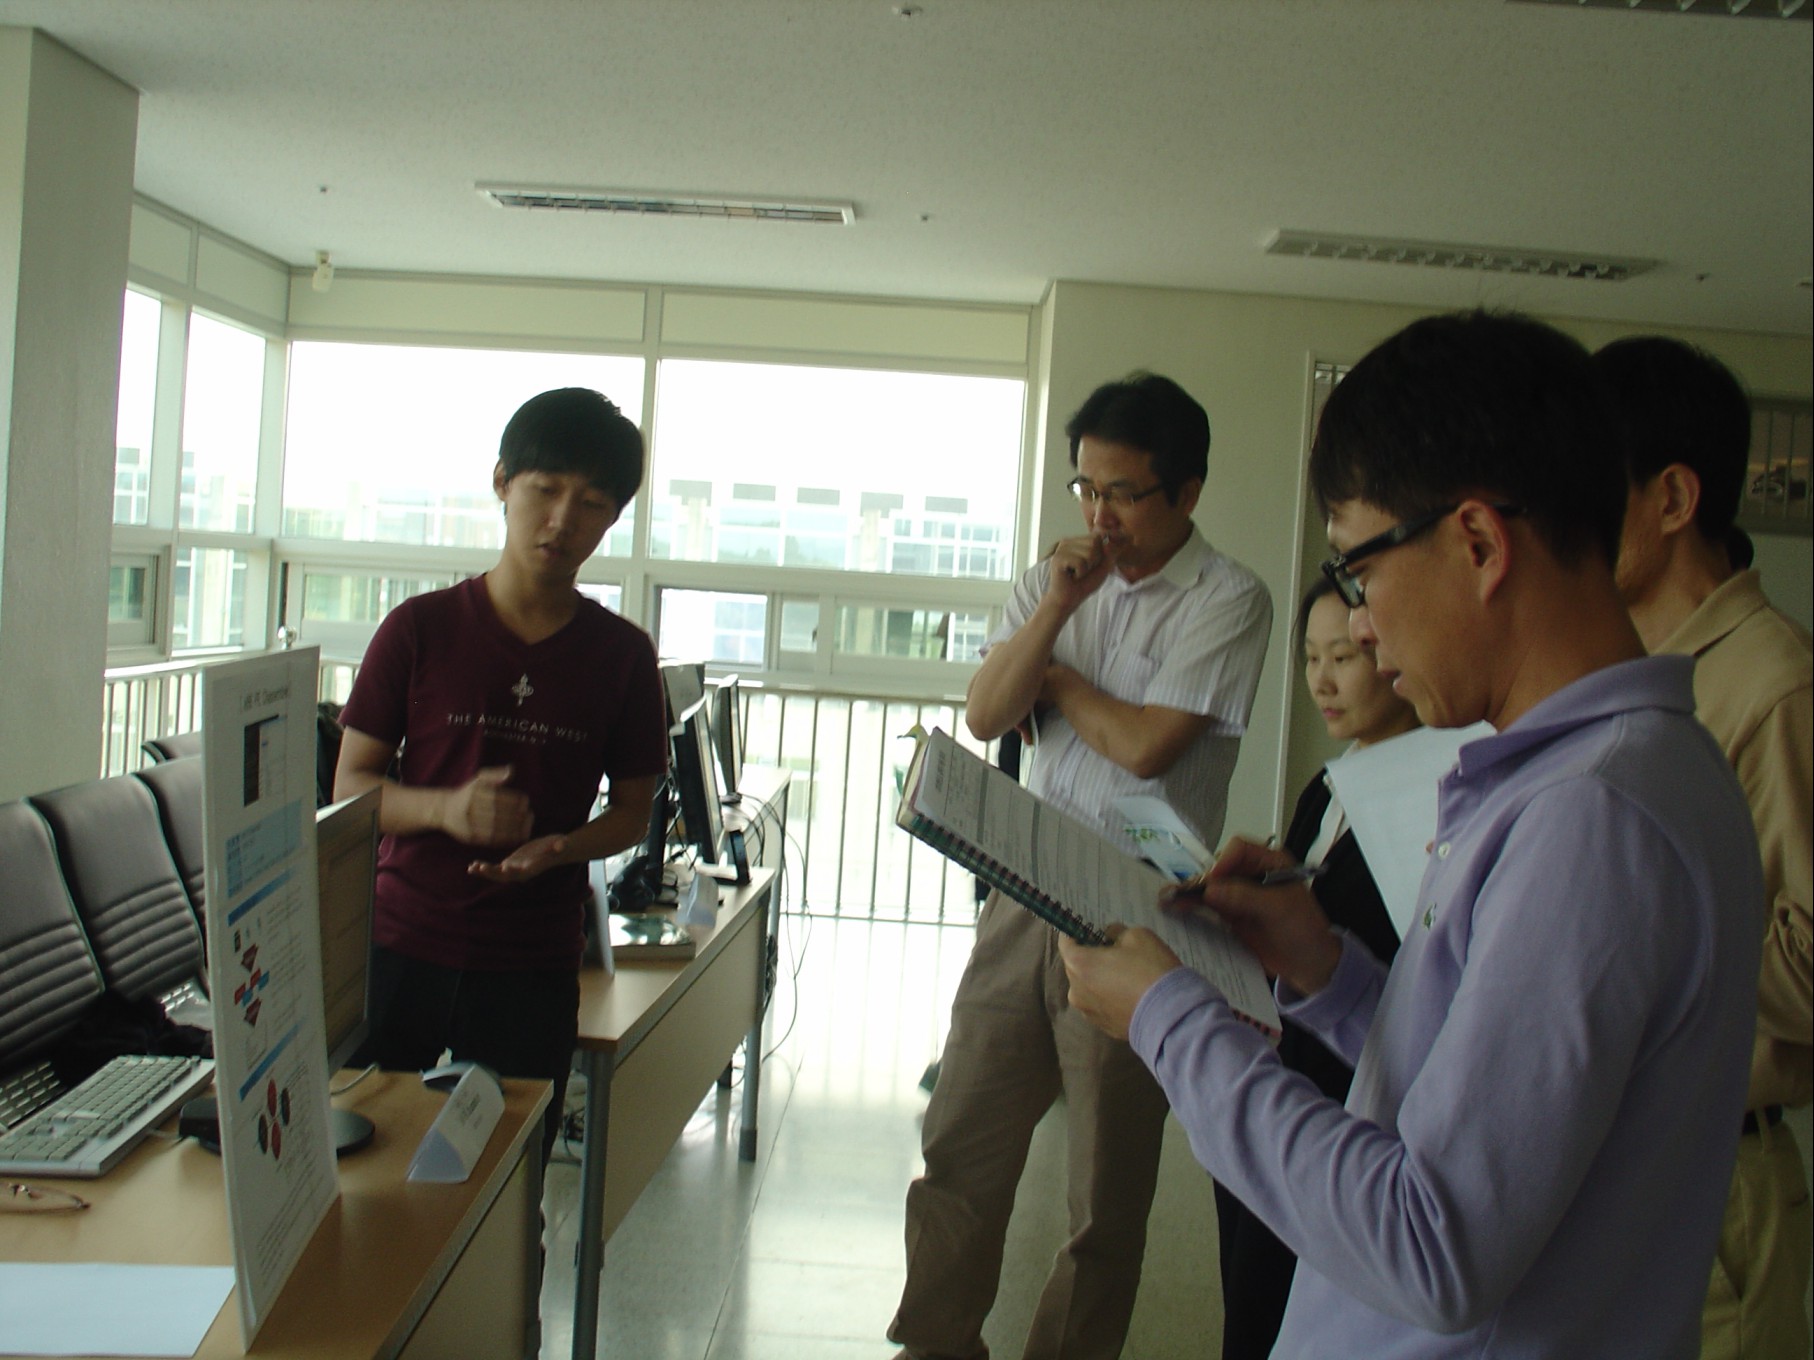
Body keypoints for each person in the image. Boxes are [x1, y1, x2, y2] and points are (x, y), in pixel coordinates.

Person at [1059, 310, 1765, 1359]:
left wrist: (1168, 1018)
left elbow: (1432, 1242)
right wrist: (1327, 971)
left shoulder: (1592, 815)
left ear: (1477, 543)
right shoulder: (1604, 771)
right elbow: (1486, 1097)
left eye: (1358, 570)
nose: (1359, 622)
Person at [889, 371, 1272, 1360]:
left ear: (1185, 491)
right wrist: (1055, 612)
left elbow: (1147, 747)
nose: (1099, 517)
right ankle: (934, 1345)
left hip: (1139, 917)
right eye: (1086, 488)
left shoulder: (1228, 598)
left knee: (1103, 1192)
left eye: (1124, 494)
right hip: (1022, 891)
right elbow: (986, 714)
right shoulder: (1048, 581)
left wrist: (1054, 682)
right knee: (959, 1142)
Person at [334, 387, 668, 1162]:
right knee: (366, 1171)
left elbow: (633, 812)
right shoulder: (419, 629)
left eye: (591, 503)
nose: (562, 520)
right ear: (501, 484)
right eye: (544, 490)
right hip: (400, 947)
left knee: (512, 1188)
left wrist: (560, 848)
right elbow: (350, 788)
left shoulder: (622, 656)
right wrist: (446, 809)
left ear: (614, 517)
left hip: (532, 962)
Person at [1594, 335, 1812, 1360]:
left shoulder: (1773, 684)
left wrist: (1626, 937)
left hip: (1715, 1174)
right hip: (1612, 1145)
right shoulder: (1627, 667)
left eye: (1590, 483)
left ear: (1673, 498)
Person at [1213, 577, 1415, 1360]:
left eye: (1344, 658)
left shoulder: (1428, 799)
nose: (1322, 681)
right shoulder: (1328, 787)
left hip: (1348, 1103)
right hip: (1278, 1077)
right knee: (1249, 1301)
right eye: (1310, 658)